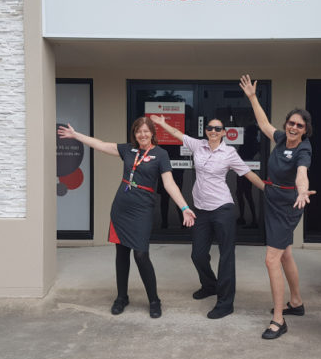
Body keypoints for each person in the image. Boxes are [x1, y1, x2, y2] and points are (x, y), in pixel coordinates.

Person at [57, 117, 195, 318]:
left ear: (152, 133)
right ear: (135, 134)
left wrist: (184, 207)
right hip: (121, 207)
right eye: (139, 131)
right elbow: (101, 145)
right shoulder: (128, 150)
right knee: (121, 254)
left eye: (146, 131)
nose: (143, 135)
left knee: (140, 254)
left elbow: (169, 184)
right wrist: (76, 135)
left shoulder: (161, 154)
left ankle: (154, 300)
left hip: (143, 209)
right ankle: (121, 297)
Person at [150, 114, 265, 319]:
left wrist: (268, 190)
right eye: (210, 128)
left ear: (223, 133)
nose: (213, 131)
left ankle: (225, 303)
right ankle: (210, 285)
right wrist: (161, 123)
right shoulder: (197, 145)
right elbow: (177, 134)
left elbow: (248, 174)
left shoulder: (229, 153)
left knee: (226, 257)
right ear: (206, 131)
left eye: (218, 129)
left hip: (223, 209)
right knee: (198, 254)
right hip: (201, 210)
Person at [240, 74, 315, 339]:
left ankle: (278, 320)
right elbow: (263, 124)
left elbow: (301, 173)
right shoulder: (282, 139)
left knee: (271, 259)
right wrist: (252, 97)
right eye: (291, 123)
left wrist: (303, 190)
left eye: (300, 125)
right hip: (273, 200)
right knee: (285, 255)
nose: (294, 127)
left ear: (305, 130)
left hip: (288, 206)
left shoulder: (303, 150)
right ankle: (296, 302)